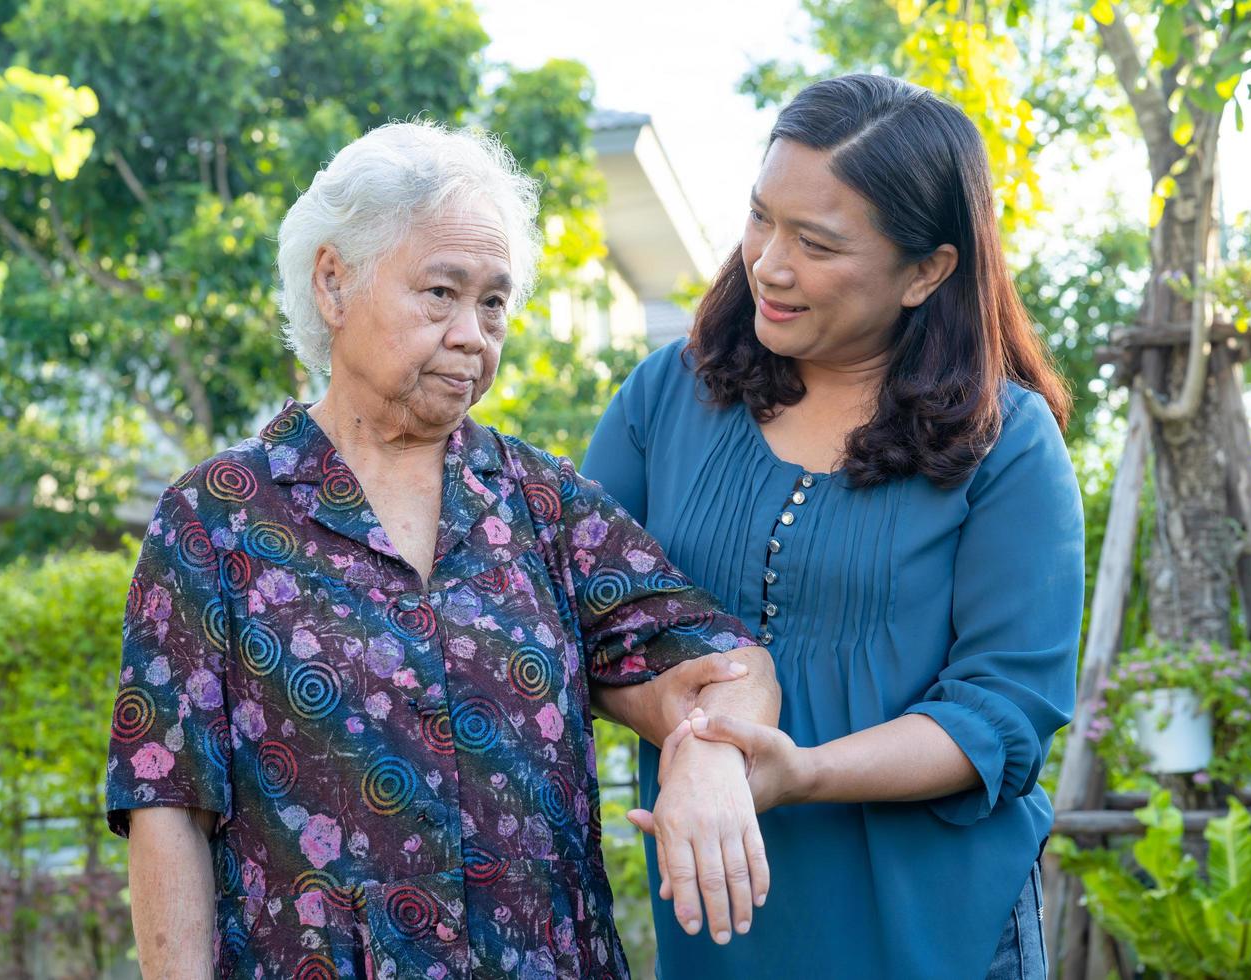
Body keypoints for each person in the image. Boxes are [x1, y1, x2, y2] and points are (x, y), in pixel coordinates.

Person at [104, 120, 779, 980]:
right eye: (441, 294)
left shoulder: (542, 503)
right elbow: (167, 803)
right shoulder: (214, 518)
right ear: (334, 282)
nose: (474, 334)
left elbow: (726, 662)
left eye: (493, 302)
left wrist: (714, 756)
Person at [581, 73, 1084, 978]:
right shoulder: (669, 394)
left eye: (816, 243)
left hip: (939, 927)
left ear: (928, 270)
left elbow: (1002, 711)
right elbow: (577, 616)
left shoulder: (1005, 443)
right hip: (728, 920)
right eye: (761, 217)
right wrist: (696, 740)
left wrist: (796, 771)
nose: (770, 263)